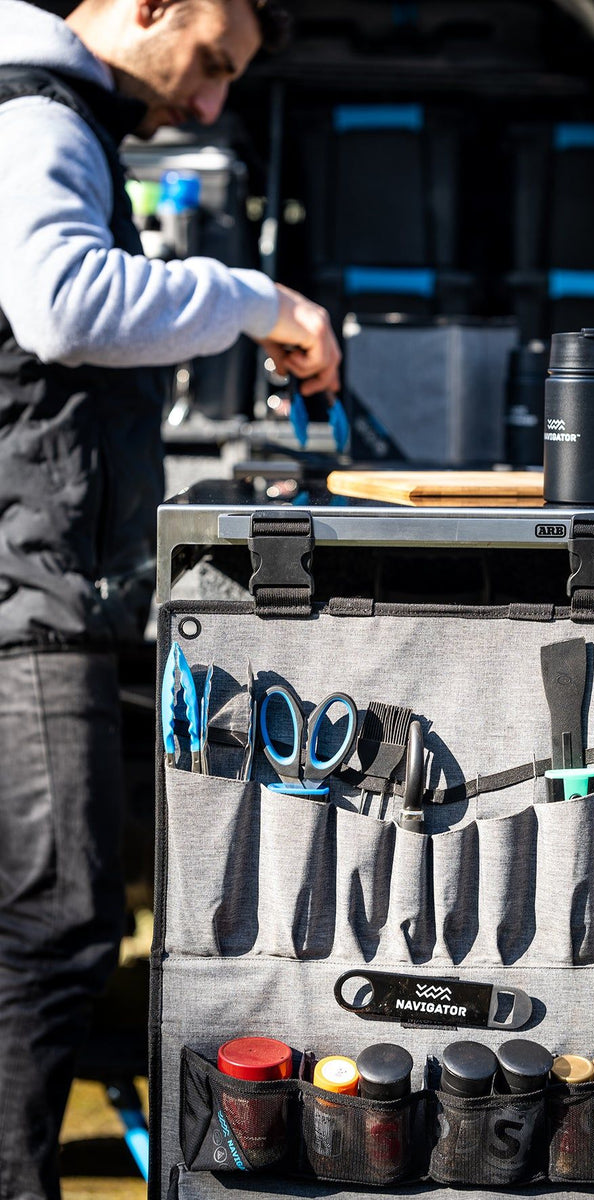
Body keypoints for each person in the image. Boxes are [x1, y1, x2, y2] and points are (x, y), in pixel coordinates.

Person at [0, 0, 340, 1196]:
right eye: (209, 64)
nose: (206, 104)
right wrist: (256, 300)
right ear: (149, 5)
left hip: (39, 578)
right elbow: (61, 305)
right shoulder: (36, 114)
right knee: (55, 922)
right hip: (22, 593)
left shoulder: (61, 118)